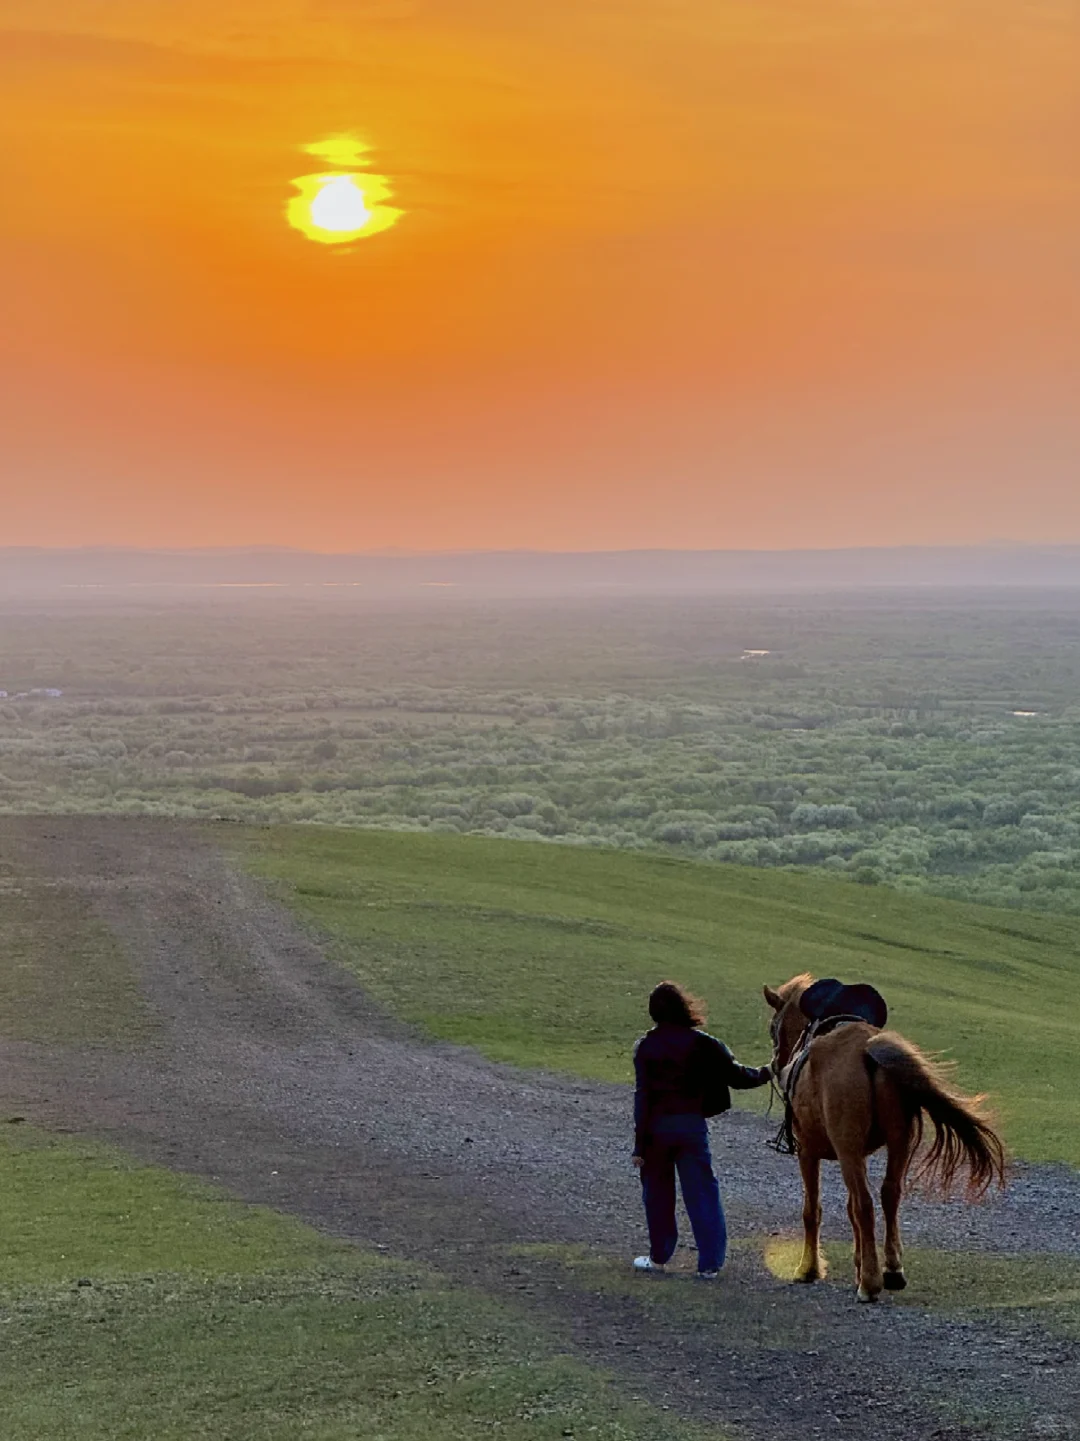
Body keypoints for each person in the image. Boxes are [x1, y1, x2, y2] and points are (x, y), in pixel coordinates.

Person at [632, 980, 771, 1278]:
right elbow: (737, 1076)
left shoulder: (646, 1047)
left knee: (657, 1195)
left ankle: (659, 1256)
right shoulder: (704, 1043)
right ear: (684, 1007)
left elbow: (642, 1097)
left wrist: (639, 1147)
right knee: (703, 1194)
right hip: (691, 1127)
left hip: (656, 1131)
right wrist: (768, 1072)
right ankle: (709, 1264)